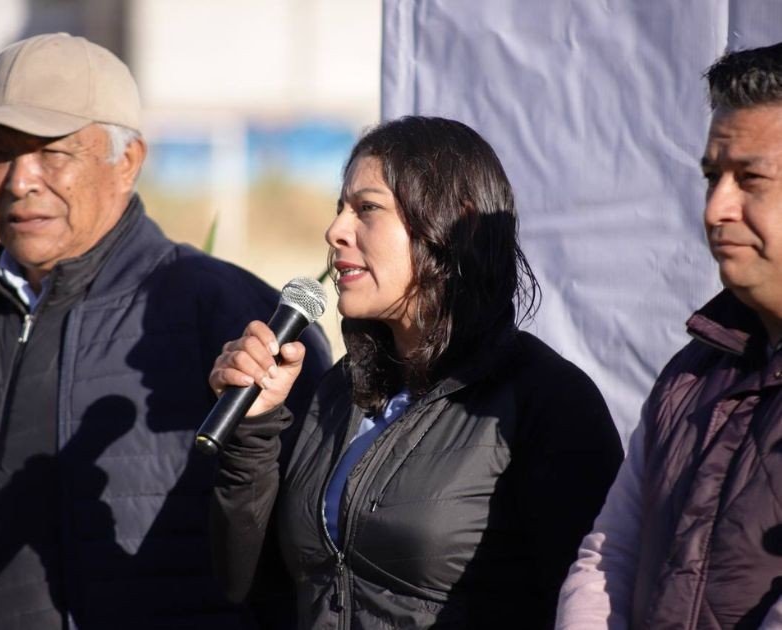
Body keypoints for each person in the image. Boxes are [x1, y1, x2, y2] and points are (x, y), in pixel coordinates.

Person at [0, 32, 330, 629]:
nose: (18, 181)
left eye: (52, 153)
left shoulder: (223, 313)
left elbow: (300, 547)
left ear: (128, 161)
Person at [208, 115, 624, 628]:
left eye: (367, 209)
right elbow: (246, 582)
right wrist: (254, 429)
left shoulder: (547, 400)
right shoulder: (339, 392)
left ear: (457, 225)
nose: (335, 230)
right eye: (340, 209)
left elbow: (588, 602)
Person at [556, 42, 782, 630]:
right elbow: (610, 554)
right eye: (713, 177)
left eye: (749, 178)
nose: (717, 208)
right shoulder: (693, 372)